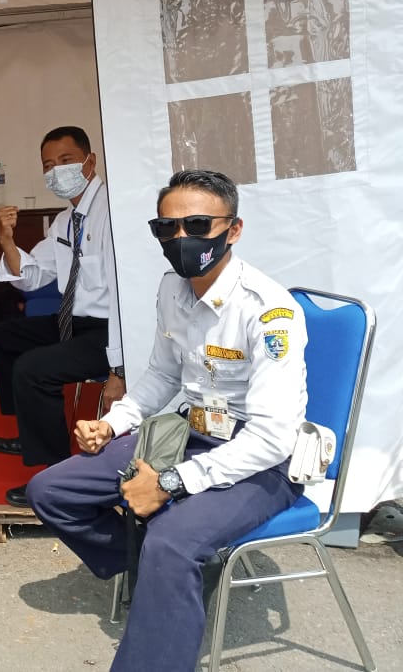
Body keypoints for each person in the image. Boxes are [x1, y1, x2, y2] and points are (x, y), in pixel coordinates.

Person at [27, 170, 307, 672]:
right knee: (50, 491)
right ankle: (158, 575)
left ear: (233, 229)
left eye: (197, 225)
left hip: (260, 460)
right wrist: (113, 423)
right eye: (166, 228)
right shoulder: (172, 289)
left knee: (171, 540)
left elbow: (272, 438)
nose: (181, 238)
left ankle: (165, 579)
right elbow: (161, 375)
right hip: (189, 434)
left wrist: (169, 484)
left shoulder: (269, 312)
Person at [0, 126, 125, 507]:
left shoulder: (113, 212)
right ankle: (31, 428)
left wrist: (118, 370)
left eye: (66, 161)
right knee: (3, 336)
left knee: (33, 368)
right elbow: (32, 277)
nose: (56, 171)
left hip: (110, 333)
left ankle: (57, 475)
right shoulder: (66, 220)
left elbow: (124, 295)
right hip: (73, 324)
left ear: (89, 162)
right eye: (48, 165)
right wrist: (6, 241)